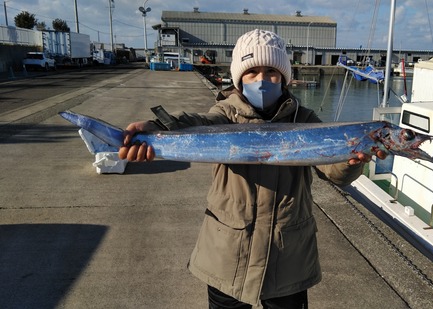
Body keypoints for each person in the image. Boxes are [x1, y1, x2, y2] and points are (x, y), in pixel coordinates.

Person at [119, 29, 381, 309]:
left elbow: (334, 173)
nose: (262, 80)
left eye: (271, 71)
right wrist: (158, 128)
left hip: (288, 259)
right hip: (228, 255)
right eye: (252, 72)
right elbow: (198, 124)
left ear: (283, 77)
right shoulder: (225, 115)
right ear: (239, 78)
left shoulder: (304, 119)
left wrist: (351, 160)